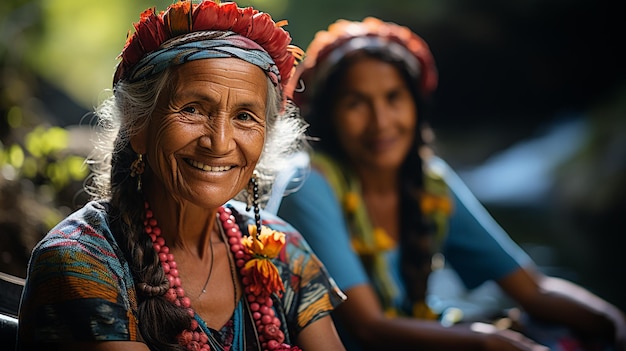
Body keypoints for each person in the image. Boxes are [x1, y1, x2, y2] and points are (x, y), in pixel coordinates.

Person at [278, 17, 626, 351]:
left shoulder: (430, 182)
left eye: (394, 97)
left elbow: (534, 290)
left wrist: (613, 324)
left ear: (416, 106)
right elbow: (369, 328)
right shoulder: (308, 183)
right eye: (356, 103)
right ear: (327, 115)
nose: (381, 121)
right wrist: (485, 341)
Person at [16, 1, 347, 350]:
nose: (219, 142)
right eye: (192, 109)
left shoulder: (283, 251)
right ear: (137, 124)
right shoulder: (82, 259)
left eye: (245, 116)